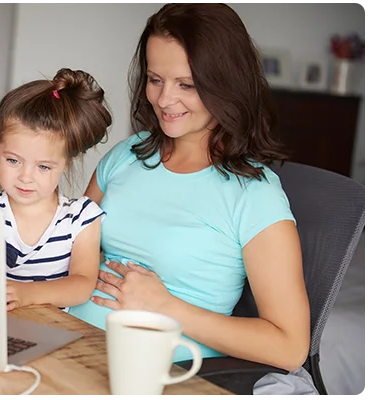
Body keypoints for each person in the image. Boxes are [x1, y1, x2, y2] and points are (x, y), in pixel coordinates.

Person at [68, 2, 311, 374]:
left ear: (225, 85)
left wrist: (167, 306)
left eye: (187, 85)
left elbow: (290, 347)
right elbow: (65, 246)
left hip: (154, 376)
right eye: (155, 79)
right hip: (68, 344)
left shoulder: (255, 196)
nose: (165, 100)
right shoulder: (126, 156)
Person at [0, 68, 112, 311]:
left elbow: (82, 285)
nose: (25, 177)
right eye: (13, 161)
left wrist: (26, 294)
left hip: (54, 331)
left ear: (67, 161)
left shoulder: (80, 218)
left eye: (43, 166)